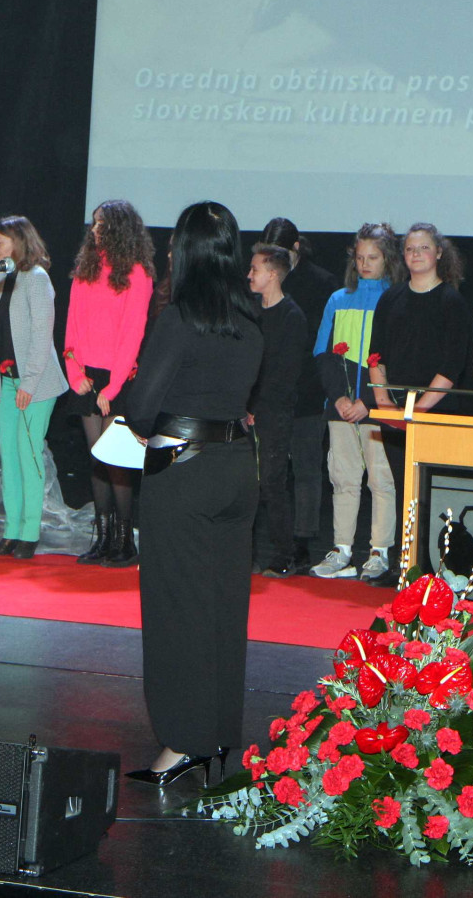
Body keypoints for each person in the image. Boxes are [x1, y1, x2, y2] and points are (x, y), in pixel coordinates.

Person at [124, 201, 262, 785]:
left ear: (187, 253)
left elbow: (140, 410)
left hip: (184, 470)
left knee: (177, 610)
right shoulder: (252, 322)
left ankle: (183, 743)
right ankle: (219, 735)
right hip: (236, 470)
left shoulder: (179, 319)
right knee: (224, 608)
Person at [369, 222, 473, 579]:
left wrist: (418, 410)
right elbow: (375, 356)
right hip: (395, 416)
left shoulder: (452, 302)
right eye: (410, 249)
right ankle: (405, 567)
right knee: (405, 491)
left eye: (424, 248)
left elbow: (451, 367)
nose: (416, 254)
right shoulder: (390, 299)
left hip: (435, 414)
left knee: (433, 494)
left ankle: (437, 569)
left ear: (439, 253)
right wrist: (384, 404)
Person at [64, 200, 154, 567]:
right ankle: (102, 538)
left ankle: (124, 540)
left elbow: (133, 335)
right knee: (97, 460)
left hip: (119, 377)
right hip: (87, 376)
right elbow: (72, 326)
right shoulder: (86, 269)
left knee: (116, 462)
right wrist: (75, 373)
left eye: (102, 224)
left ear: (119, 229)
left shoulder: (137, 273)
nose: (95, 230)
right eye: (94, 223)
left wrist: (112, 388)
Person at [311, 224, 401, 579]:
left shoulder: (395, 299)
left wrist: (368, 401)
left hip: (377, 406)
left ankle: (379, 551)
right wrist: (338, 398)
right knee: (343, 478)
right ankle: (342, 549)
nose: (364, 264)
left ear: (387, 260)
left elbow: (393, 359)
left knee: (381, 479)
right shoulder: (338, 299)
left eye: (373, 258)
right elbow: (322, 353)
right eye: (359, 257)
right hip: (341, 408)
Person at [0, 215, 68, 558]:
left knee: (27, 452)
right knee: (9, 457)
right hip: (6, 382)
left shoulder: (37, 279)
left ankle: (30, 532)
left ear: (18, 242)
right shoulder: (0, 278)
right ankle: (11, 531)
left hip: (36, 384)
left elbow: (41, 336)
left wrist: (29, 383)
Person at [261, 217, 340, 568]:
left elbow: (323, 341)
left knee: (306, 468)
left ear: (296, 247)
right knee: (272, 470)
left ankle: (303, 539)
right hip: (271, 390)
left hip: (307, 388)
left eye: (280, 252)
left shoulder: (321, 283)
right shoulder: (265, 279)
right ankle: (277, 538)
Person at [245, 244, 310, 577]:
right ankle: (246, 554)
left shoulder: (291, 317)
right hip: (245, 411)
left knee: (272, 483)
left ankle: (284, 554)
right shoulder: (249, 311)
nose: (249, 275)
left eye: (255, 269)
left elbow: (285, 374)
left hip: (273, 413)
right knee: (245, 484)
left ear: (272, 274)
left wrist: (257, 407)